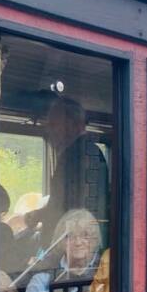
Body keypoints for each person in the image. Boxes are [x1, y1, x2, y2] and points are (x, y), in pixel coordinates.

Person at [23, 97, 109, 243]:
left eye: (53, 124)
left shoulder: (81, 154)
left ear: (72, 124)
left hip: (74, 244)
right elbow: (63, 203)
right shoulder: (75, 153)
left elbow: (78, 210)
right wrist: (40, 214)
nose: (48, 129)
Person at [18, 209, 101, 292]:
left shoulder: (104, 270)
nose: (78, 242)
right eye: (70, 236)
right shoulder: (44, 276)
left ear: (95, 240)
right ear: (61, 241)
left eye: (85, 236)